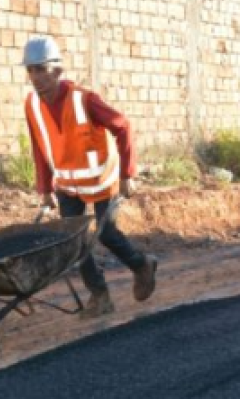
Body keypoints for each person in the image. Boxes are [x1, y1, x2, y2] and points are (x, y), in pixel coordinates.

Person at [21, 36, 158, 315]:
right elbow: (40, 145)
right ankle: (100, 296)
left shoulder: (84, 100)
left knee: (106, 233)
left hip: (100, 180)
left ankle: (141, 265)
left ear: (57, 71)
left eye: (41, 69)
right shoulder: (32, 105)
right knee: (74, 241)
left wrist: (126, 174)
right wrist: (45, 188)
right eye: (31, 70)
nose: (35, 77)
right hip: (67, 184)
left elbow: (123, 126)